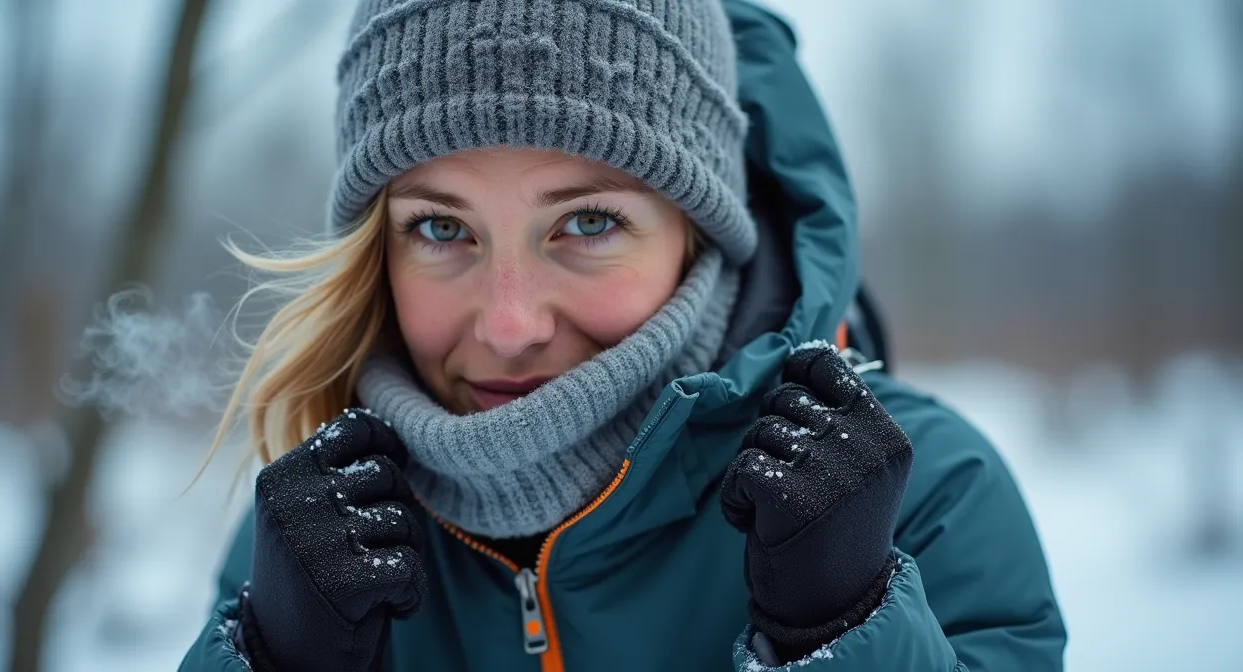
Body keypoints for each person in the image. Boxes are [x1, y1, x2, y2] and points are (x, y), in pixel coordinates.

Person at [178, 1, 1066, 670]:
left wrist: (842, 633)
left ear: (700, 229)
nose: (510, 324)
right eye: (442, 230)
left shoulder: (927, 498)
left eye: (588, 223)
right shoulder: (315, 541)